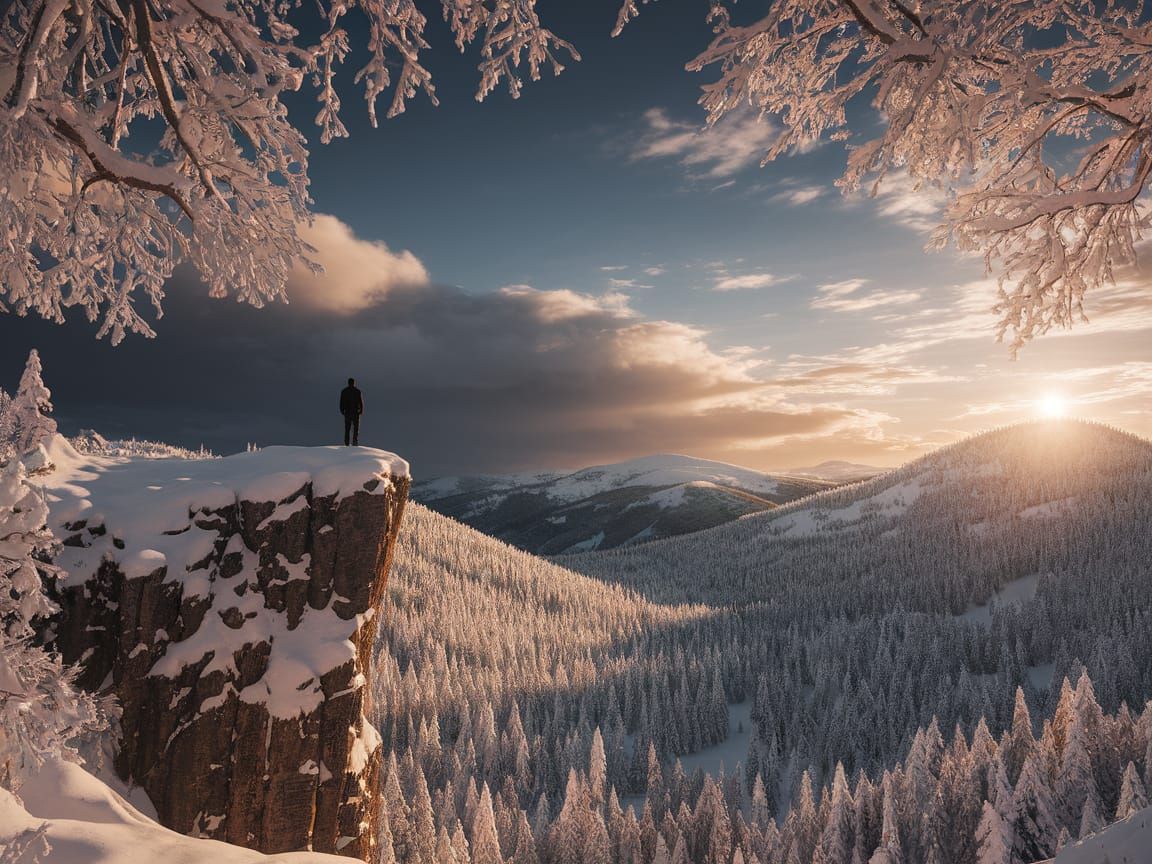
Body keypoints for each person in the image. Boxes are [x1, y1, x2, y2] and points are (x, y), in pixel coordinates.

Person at [339, 377, 364, 446]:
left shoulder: (344, 391)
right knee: (355, 429)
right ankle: (355, 442)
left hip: (347, 413)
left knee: (347, 428)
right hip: (356, 413)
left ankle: (346, 443)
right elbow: (361, 402)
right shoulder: (357, 391)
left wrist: (342, 410)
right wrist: (361, 410)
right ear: (354, 383)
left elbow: (341, 402)